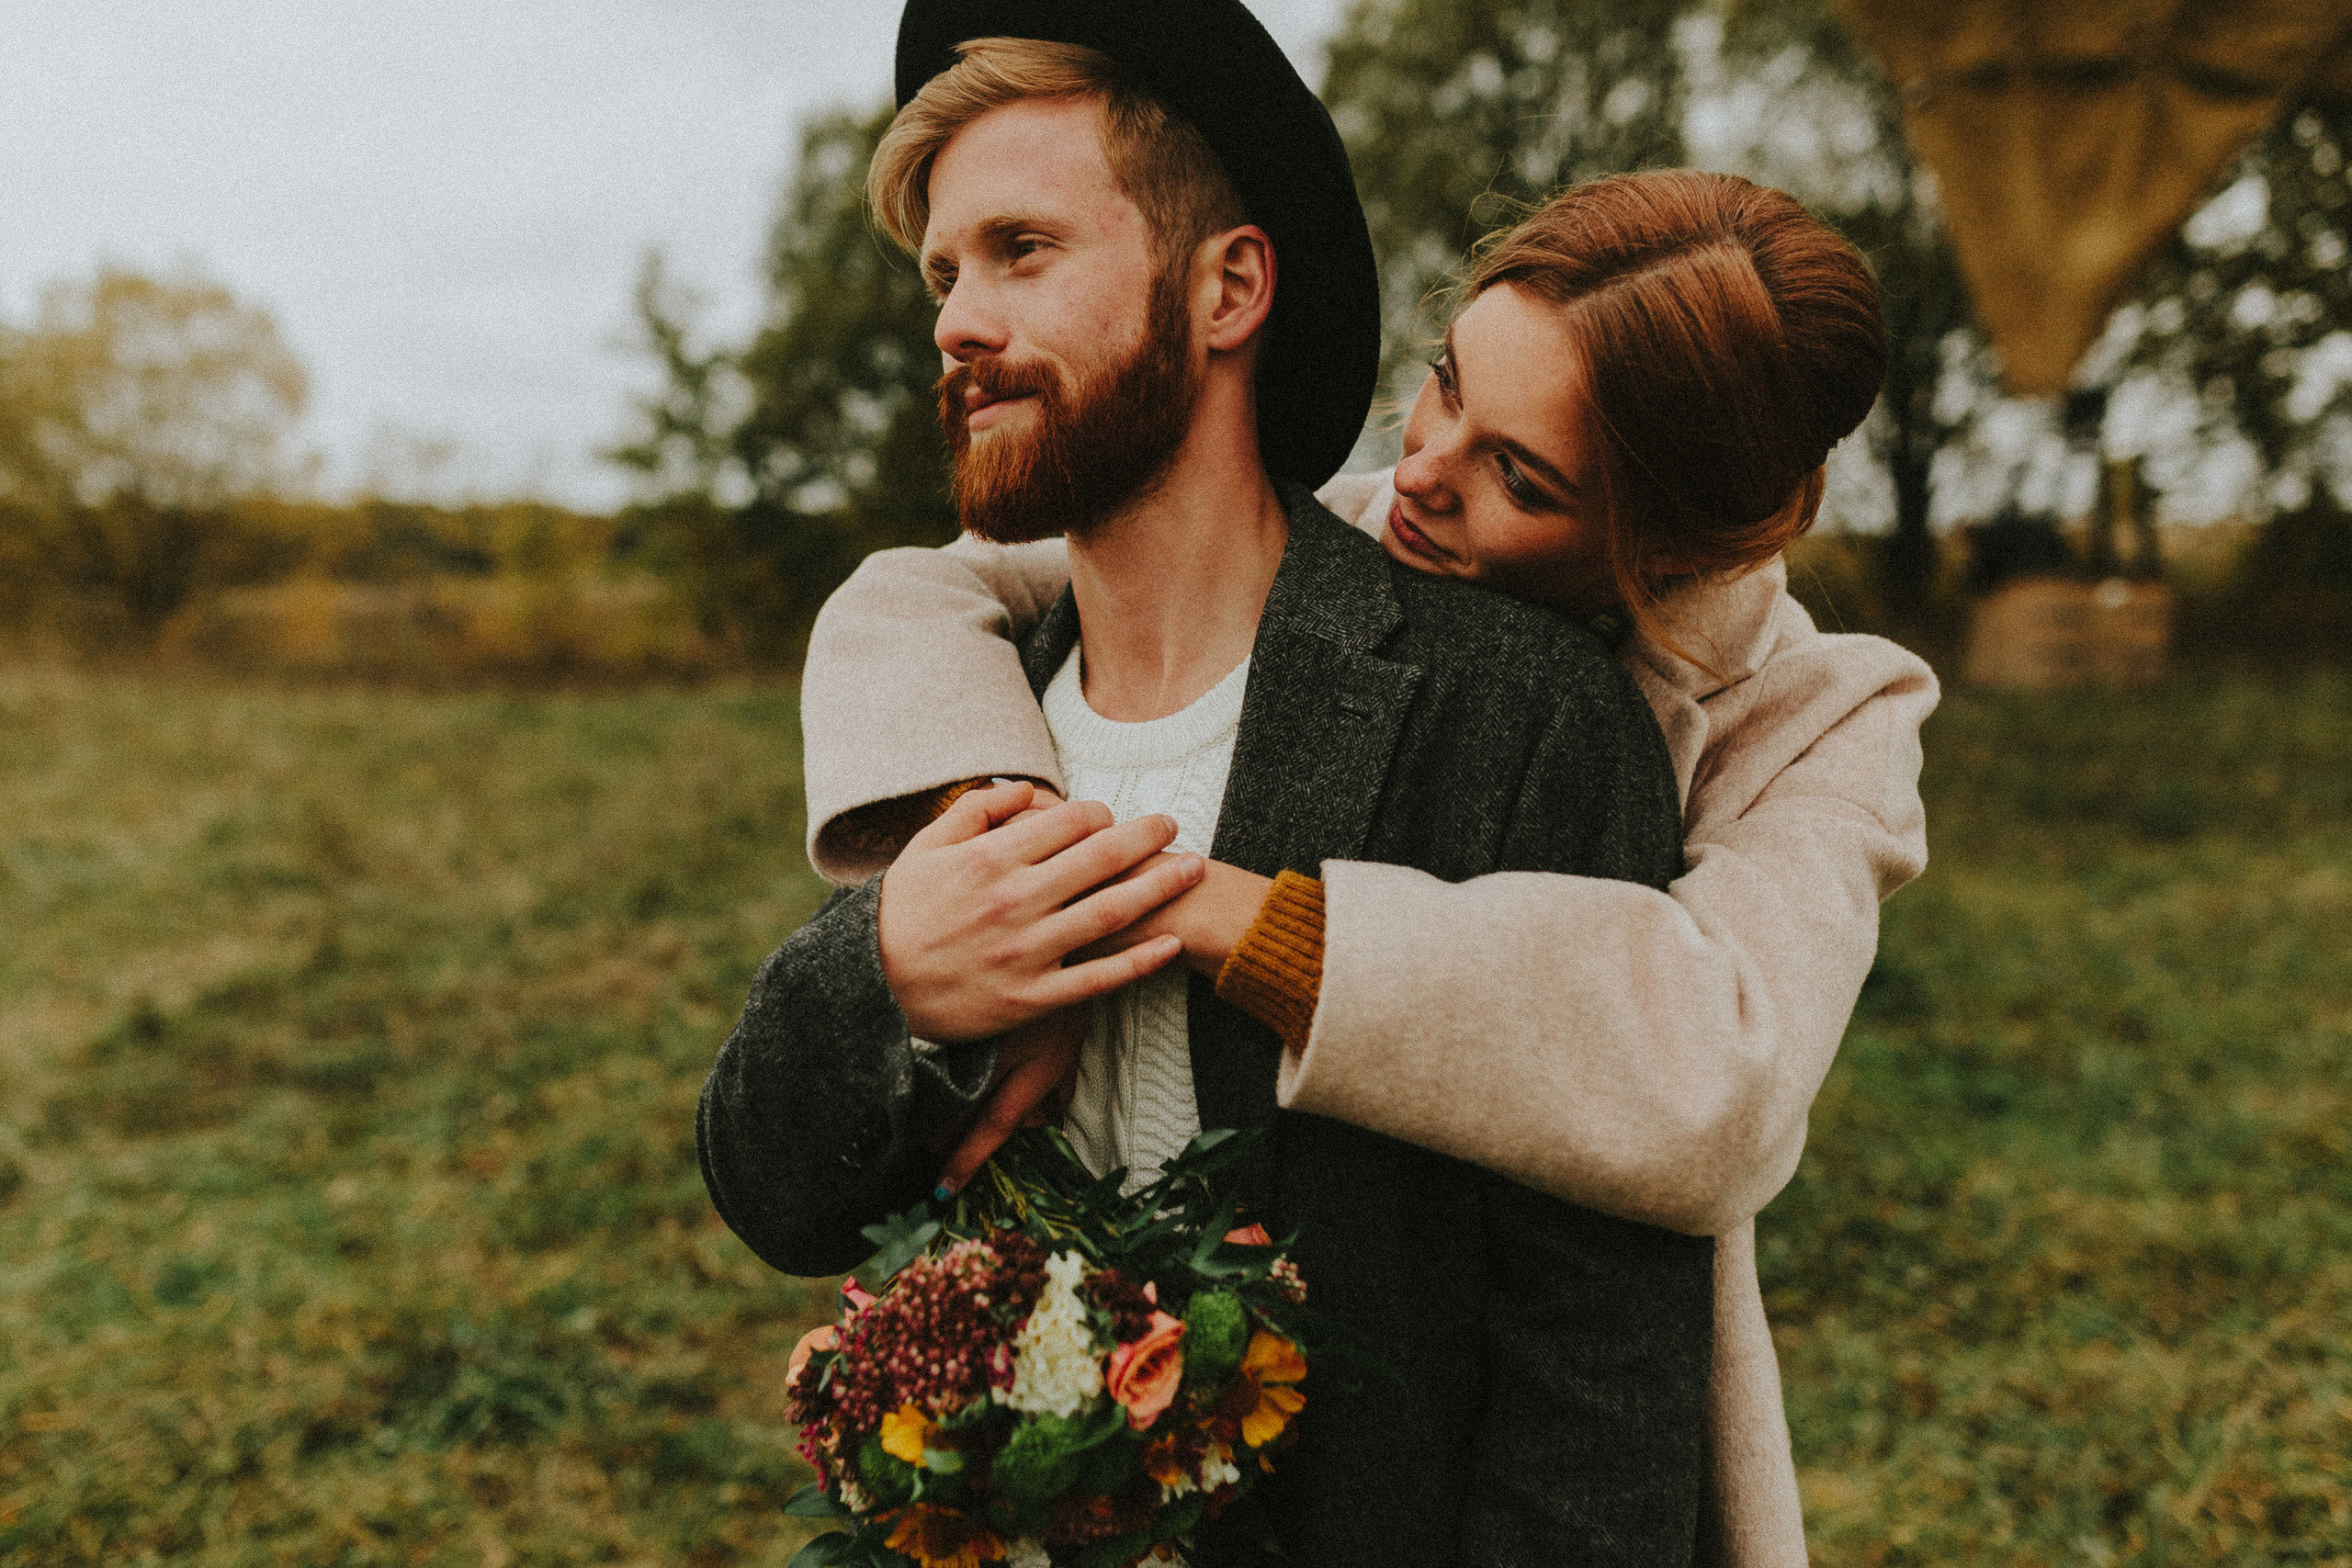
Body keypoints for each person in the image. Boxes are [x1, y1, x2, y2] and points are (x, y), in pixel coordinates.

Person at [698, 6, 1724, 1564]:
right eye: (944, 274)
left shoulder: (1514, 714)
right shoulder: (976, 719)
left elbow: (1601, 1367)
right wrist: (891, 973)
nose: (958, 321)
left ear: (1228, 286)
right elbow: (775, 1193)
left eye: (1022, 250)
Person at [796, 172, 1937, 1568]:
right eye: (1446, 382)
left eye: (1521, 477)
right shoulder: (1351, 525)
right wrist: (1018, 865)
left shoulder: (1826, 716)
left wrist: (1208, 907)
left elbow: (1719, 1083)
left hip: (1545, 1414)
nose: (1426, 467)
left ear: (1680, 543)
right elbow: (920, 591)